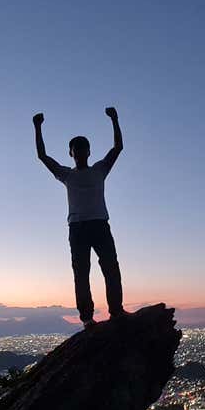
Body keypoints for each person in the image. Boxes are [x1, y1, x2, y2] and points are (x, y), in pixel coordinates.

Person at [33, 107, 126, 329]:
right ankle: (87, 318)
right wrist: (37, 128)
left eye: (83, 148)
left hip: (100, 224)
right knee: (82, 273)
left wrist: (115, 119)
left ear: (89, 151)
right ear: (71, 153)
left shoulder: (100, 169)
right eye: (76, 149)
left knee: (110, 267)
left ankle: (116, 311)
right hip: (77, 228)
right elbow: (42, 156)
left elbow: (118, 147)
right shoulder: (67, 174)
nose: (80, 152)